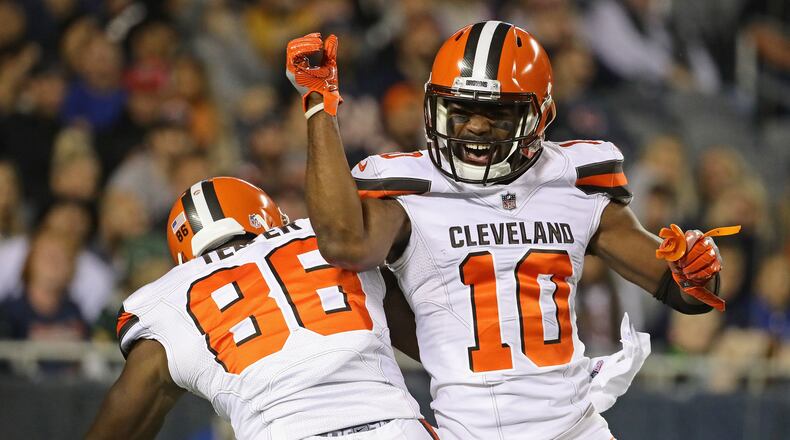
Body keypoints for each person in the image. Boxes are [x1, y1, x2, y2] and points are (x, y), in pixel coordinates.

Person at [287, 22, 725, 439]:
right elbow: (344, 245)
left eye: (496, 115)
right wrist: (319, 106)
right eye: (460, 109)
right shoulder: (407, 190)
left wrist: (700, 268)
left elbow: (684, 292)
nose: (476, 126)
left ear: (541, 116)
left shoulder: (572, 182)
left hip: (576, 430)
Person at [86, 177, 435, 440]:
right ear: (270, 218)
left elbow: (119, 424)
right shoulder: (325, 235)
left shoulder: (173, 295)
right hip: (397, 428)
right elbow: (441, 345)